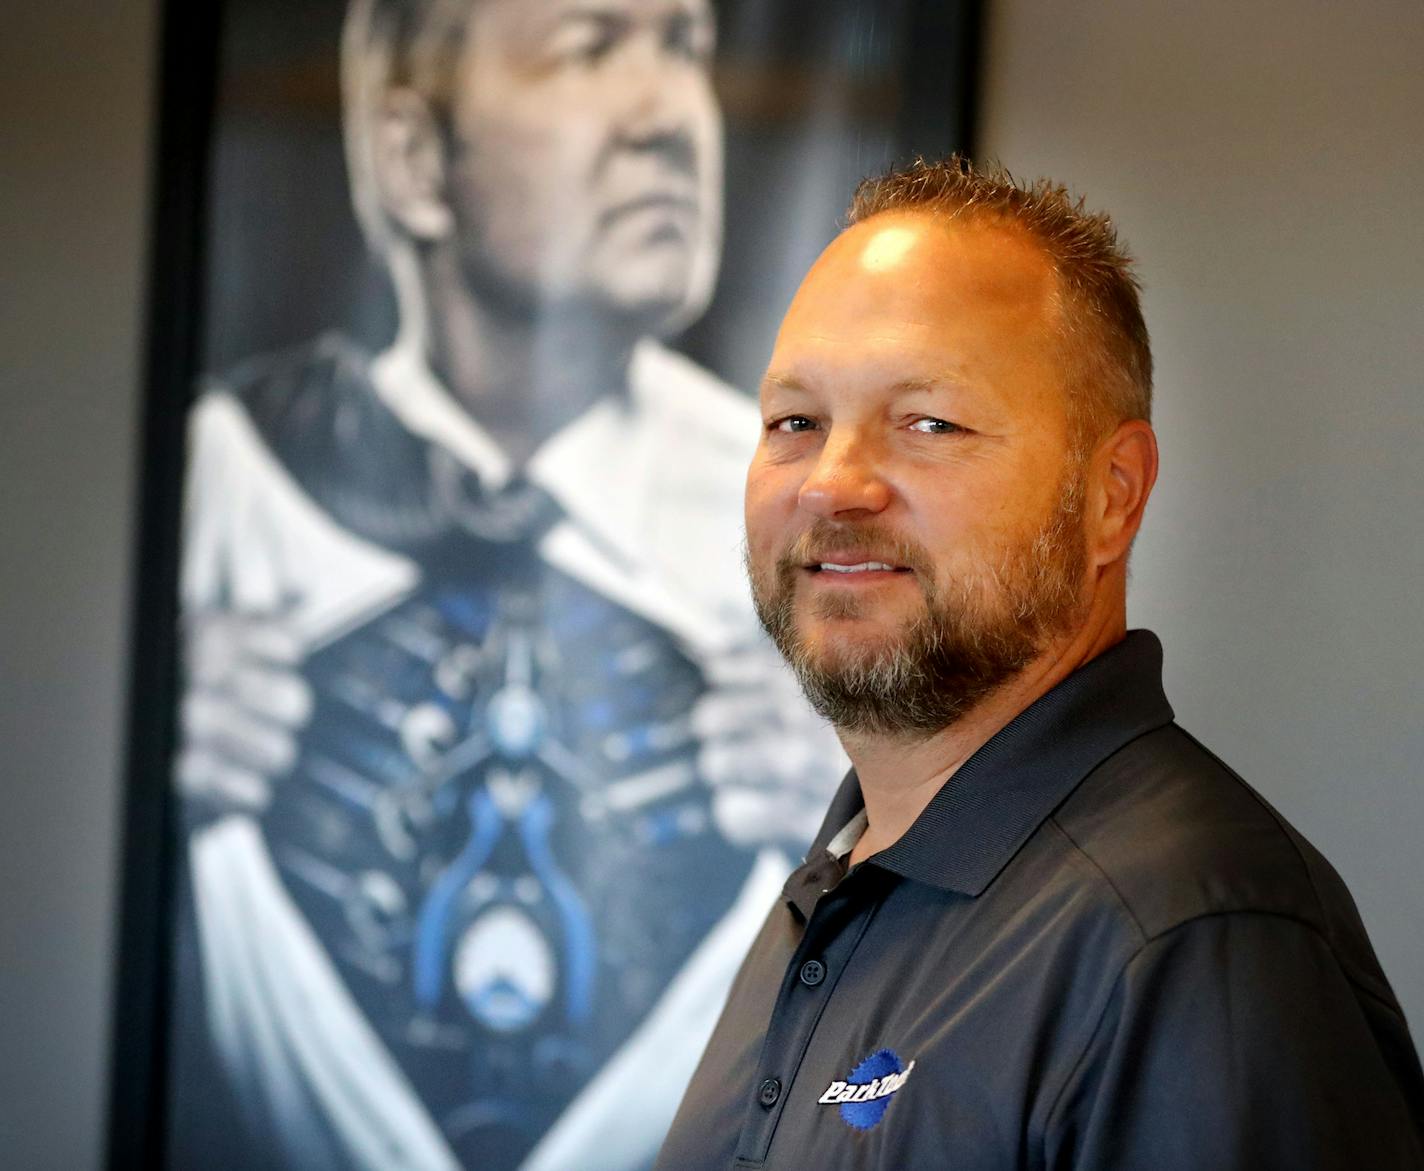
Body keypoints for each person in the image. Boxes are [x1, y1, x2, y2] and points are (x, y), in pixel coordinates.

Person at [654, 156, 1424, 1169]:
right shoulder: (844, 879)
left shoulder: (1188, 941)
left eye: (926, 422)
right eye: (794, 422)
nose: (832, 484)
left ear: (1109, 495)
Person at [172, 1, 839, 1168]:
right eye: (590, 48)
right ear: (412, 159)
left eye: (684, 49)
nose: (670, 118)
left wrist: (853, 798)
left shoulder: (801, 517)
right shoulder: (225, 486)